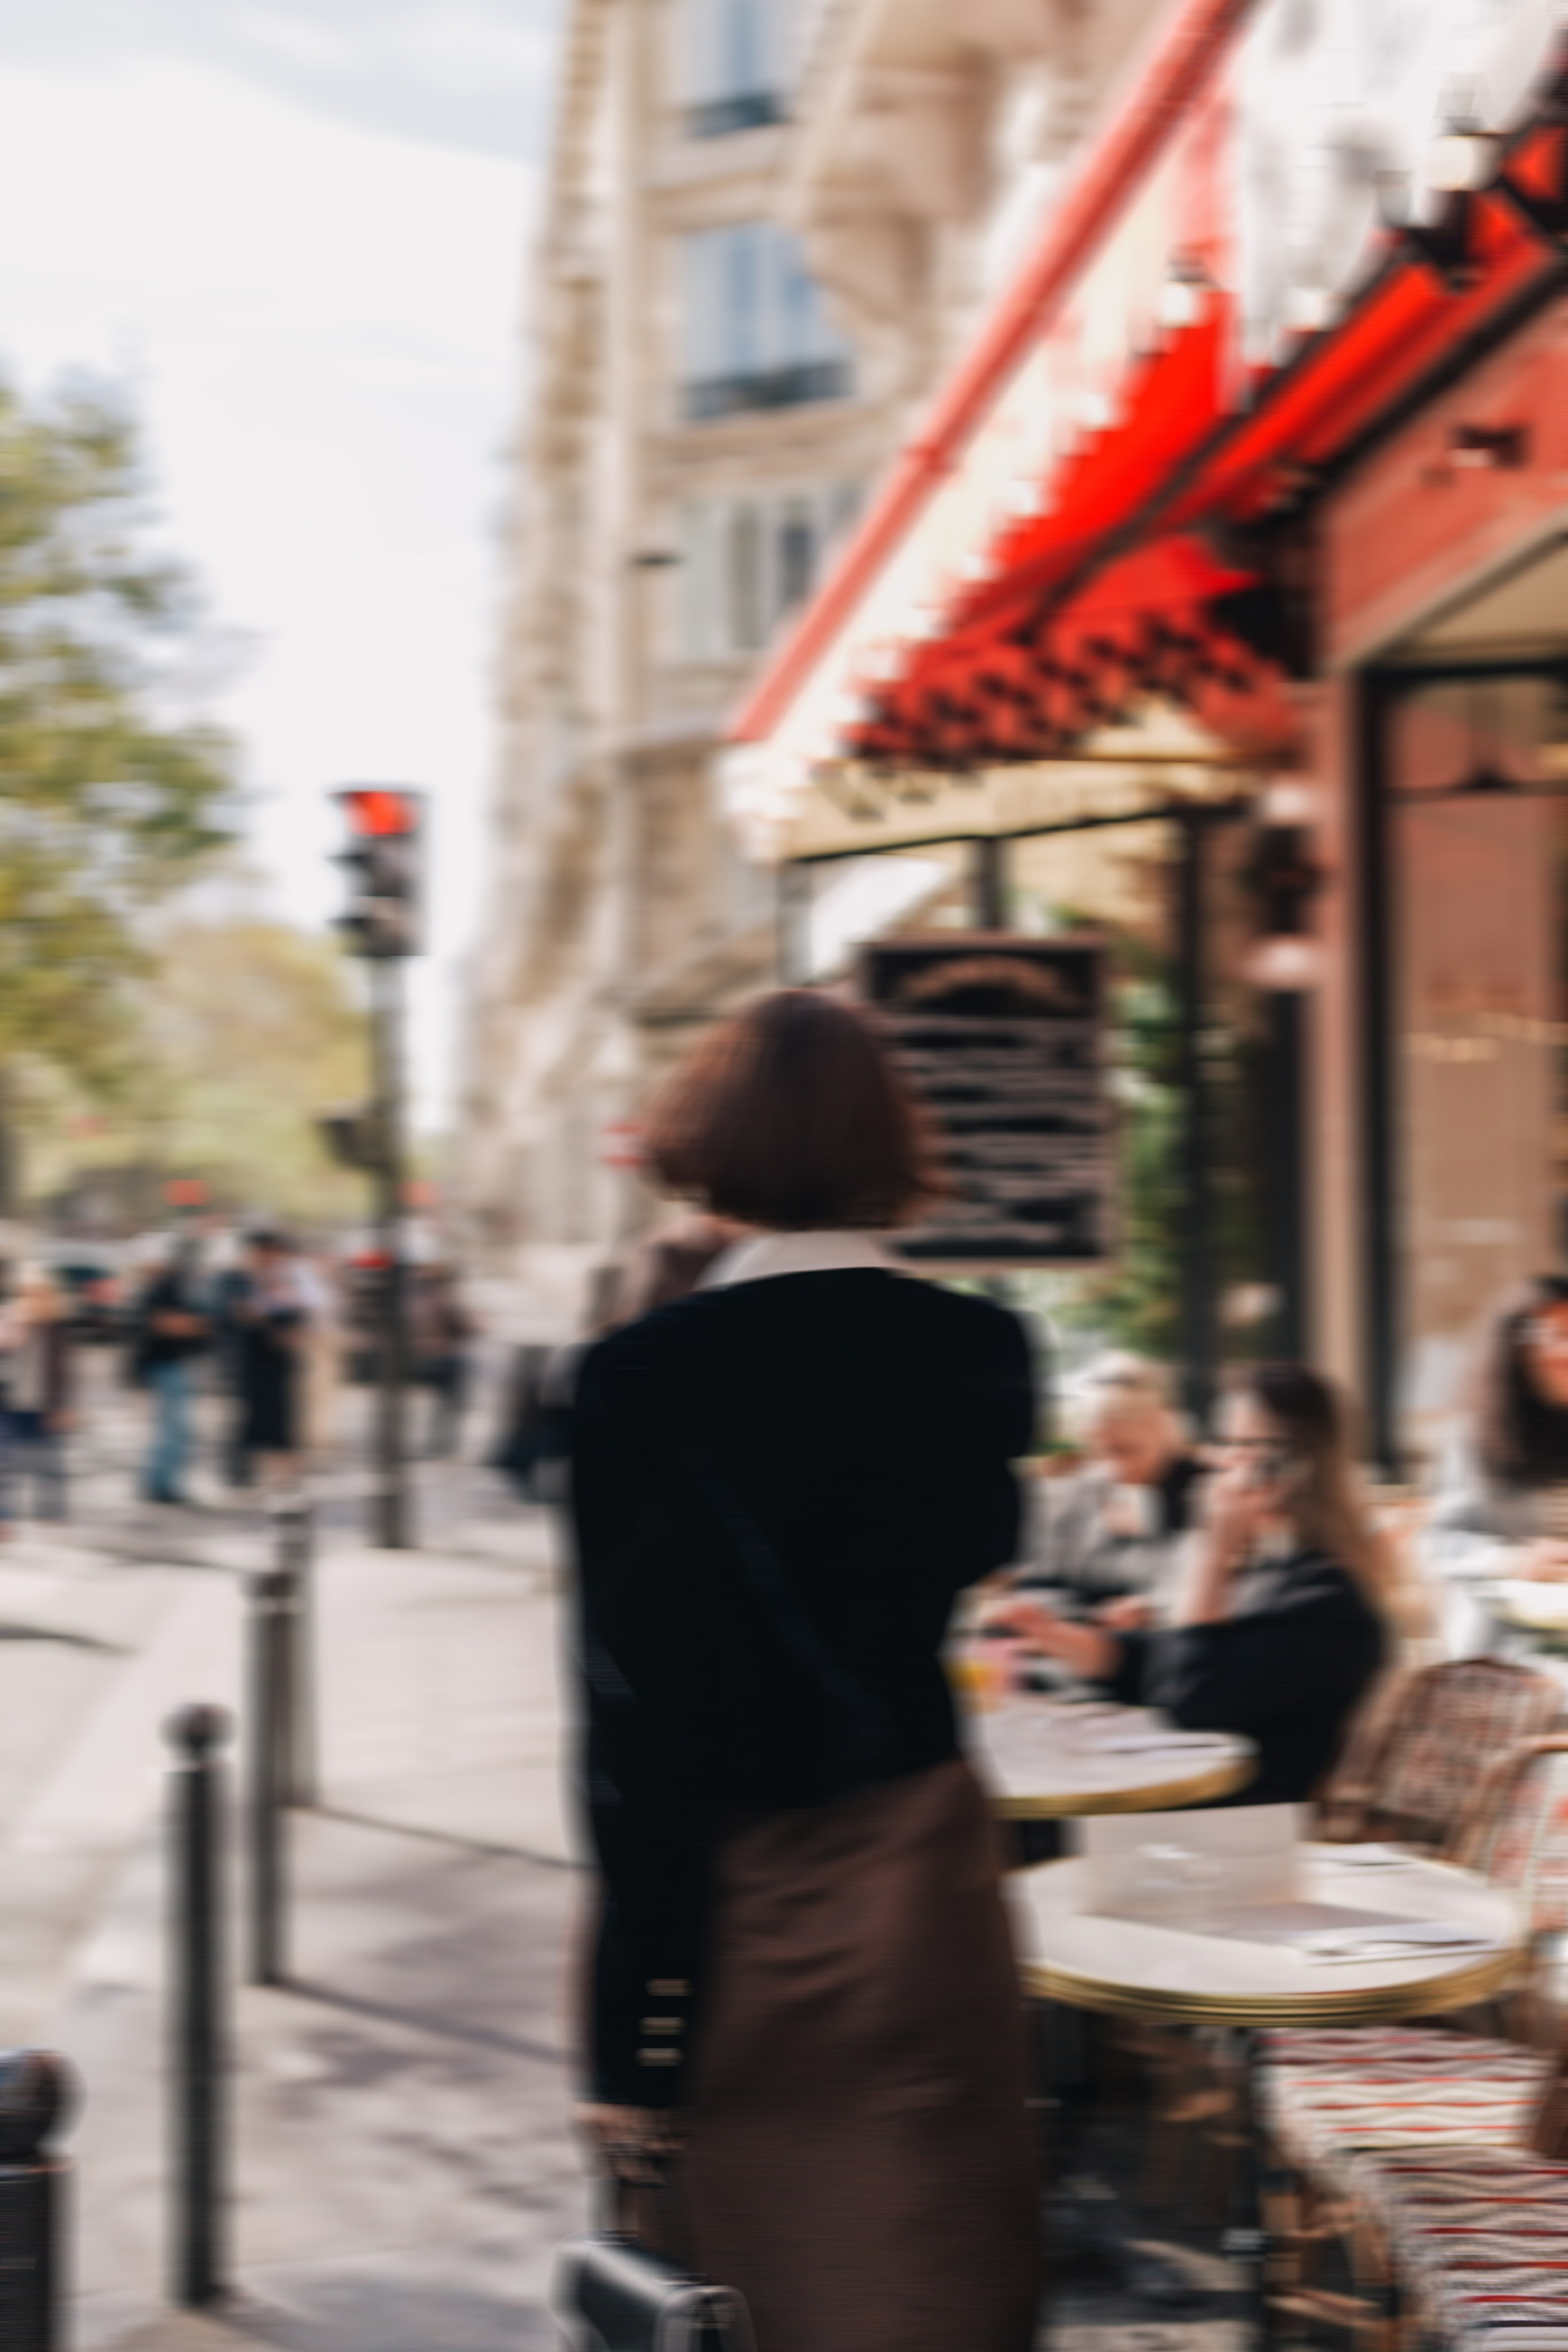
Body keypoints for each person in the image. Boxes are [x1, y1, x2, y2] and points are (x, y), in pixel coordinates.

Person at [571, 989, 1041, 2352]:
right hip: (923, 1886)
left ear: (706, 1142)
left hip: (733, 1915)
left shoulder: (631, 1378)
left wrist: (630, 2035)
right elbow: (978, 1554)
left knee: (744, 2284)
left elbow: (627, 1729)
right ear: (888, 1140)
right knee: (938, 2269)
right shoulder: (982, 1348)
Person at [987, 1363, 1389, 1807]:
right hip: (1183, 1819)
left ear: (1293, 1465)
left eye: (1240, 1445)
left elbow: (1190, 1700)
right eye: (1223, 1441)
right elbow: (1171, 1664)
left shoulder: (1325, 1601)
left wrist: (1212, 1552)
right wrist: (1074, 1643)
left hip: (1234, 1834)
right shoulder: (1274, 1572)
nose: (1216, 1460)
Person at [1423, 1274, 1568, 1648]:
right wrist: (1514, 1560)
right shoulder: (1477, 1434)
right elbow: (1438, 1543)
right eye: (1552, 1334)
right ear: (1515, 1349)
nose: (1564, 1350)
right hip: (1504, 1648)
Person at [1013, 1352, 1205, 1627]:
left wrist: (1156, 1608)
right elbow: (1040, 1577)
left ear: (1164, 1432)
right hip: (1079, 1637)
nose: (1116, 1470)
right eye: (1103, 1453)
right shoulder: (1087, 1487)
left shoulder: (1200, 1491)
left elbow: (1203, 1585)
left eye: (1129, 1451)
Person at [232, 1229, 313, 1496]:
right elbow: (241, 1315)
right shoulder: (241, 1281)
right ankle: (259, 1473)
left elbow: (299, 1315)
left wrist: (288, 1331)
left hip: (278, 1361)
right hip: (254, 1361)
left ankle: (285, 1474)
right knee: (256, 1419)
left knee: (282, 1418)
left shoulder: (286, 1282)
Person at [135, 1239, 211, 1507]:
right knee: (173, 1429)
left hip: (173, 1364)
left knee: (172, 1429)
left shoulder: (175, 1285)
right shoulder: (165, 1286)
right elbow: (163, 1323)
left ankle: (159, 1481)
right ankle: (162, 1484)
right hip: (167, 1365)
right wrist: (197, 1325)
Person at [4, 1267, 74, 1522]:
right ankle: (4, 1518)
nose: (32, 1300)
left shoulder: (56, 1329)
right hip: (10, 1405)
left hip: (44, 1405)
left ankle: (50, 1516)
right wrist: (15, 1332)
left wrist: (63, 1406)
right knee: (5, 1464)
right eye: (26, 1294)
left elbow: (64, 1372)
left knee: (49, 1464)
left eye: (38, 1294)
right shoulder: (10, 1320)